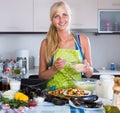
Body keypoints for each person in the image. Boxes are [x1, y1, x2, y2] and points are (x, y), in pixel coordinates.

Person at [39, 1, 93, 89]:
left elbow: (89, 74)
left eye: (65, 15)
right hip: (54, 95)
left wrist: (87, 69)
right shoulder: (46, 43)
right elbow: (41, 76)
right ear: (52, 20)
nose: (61, 20)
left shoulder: (83, 40)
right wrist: (54, 69)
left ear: (70, 16)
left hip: (76, 94)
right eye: (57, 16)